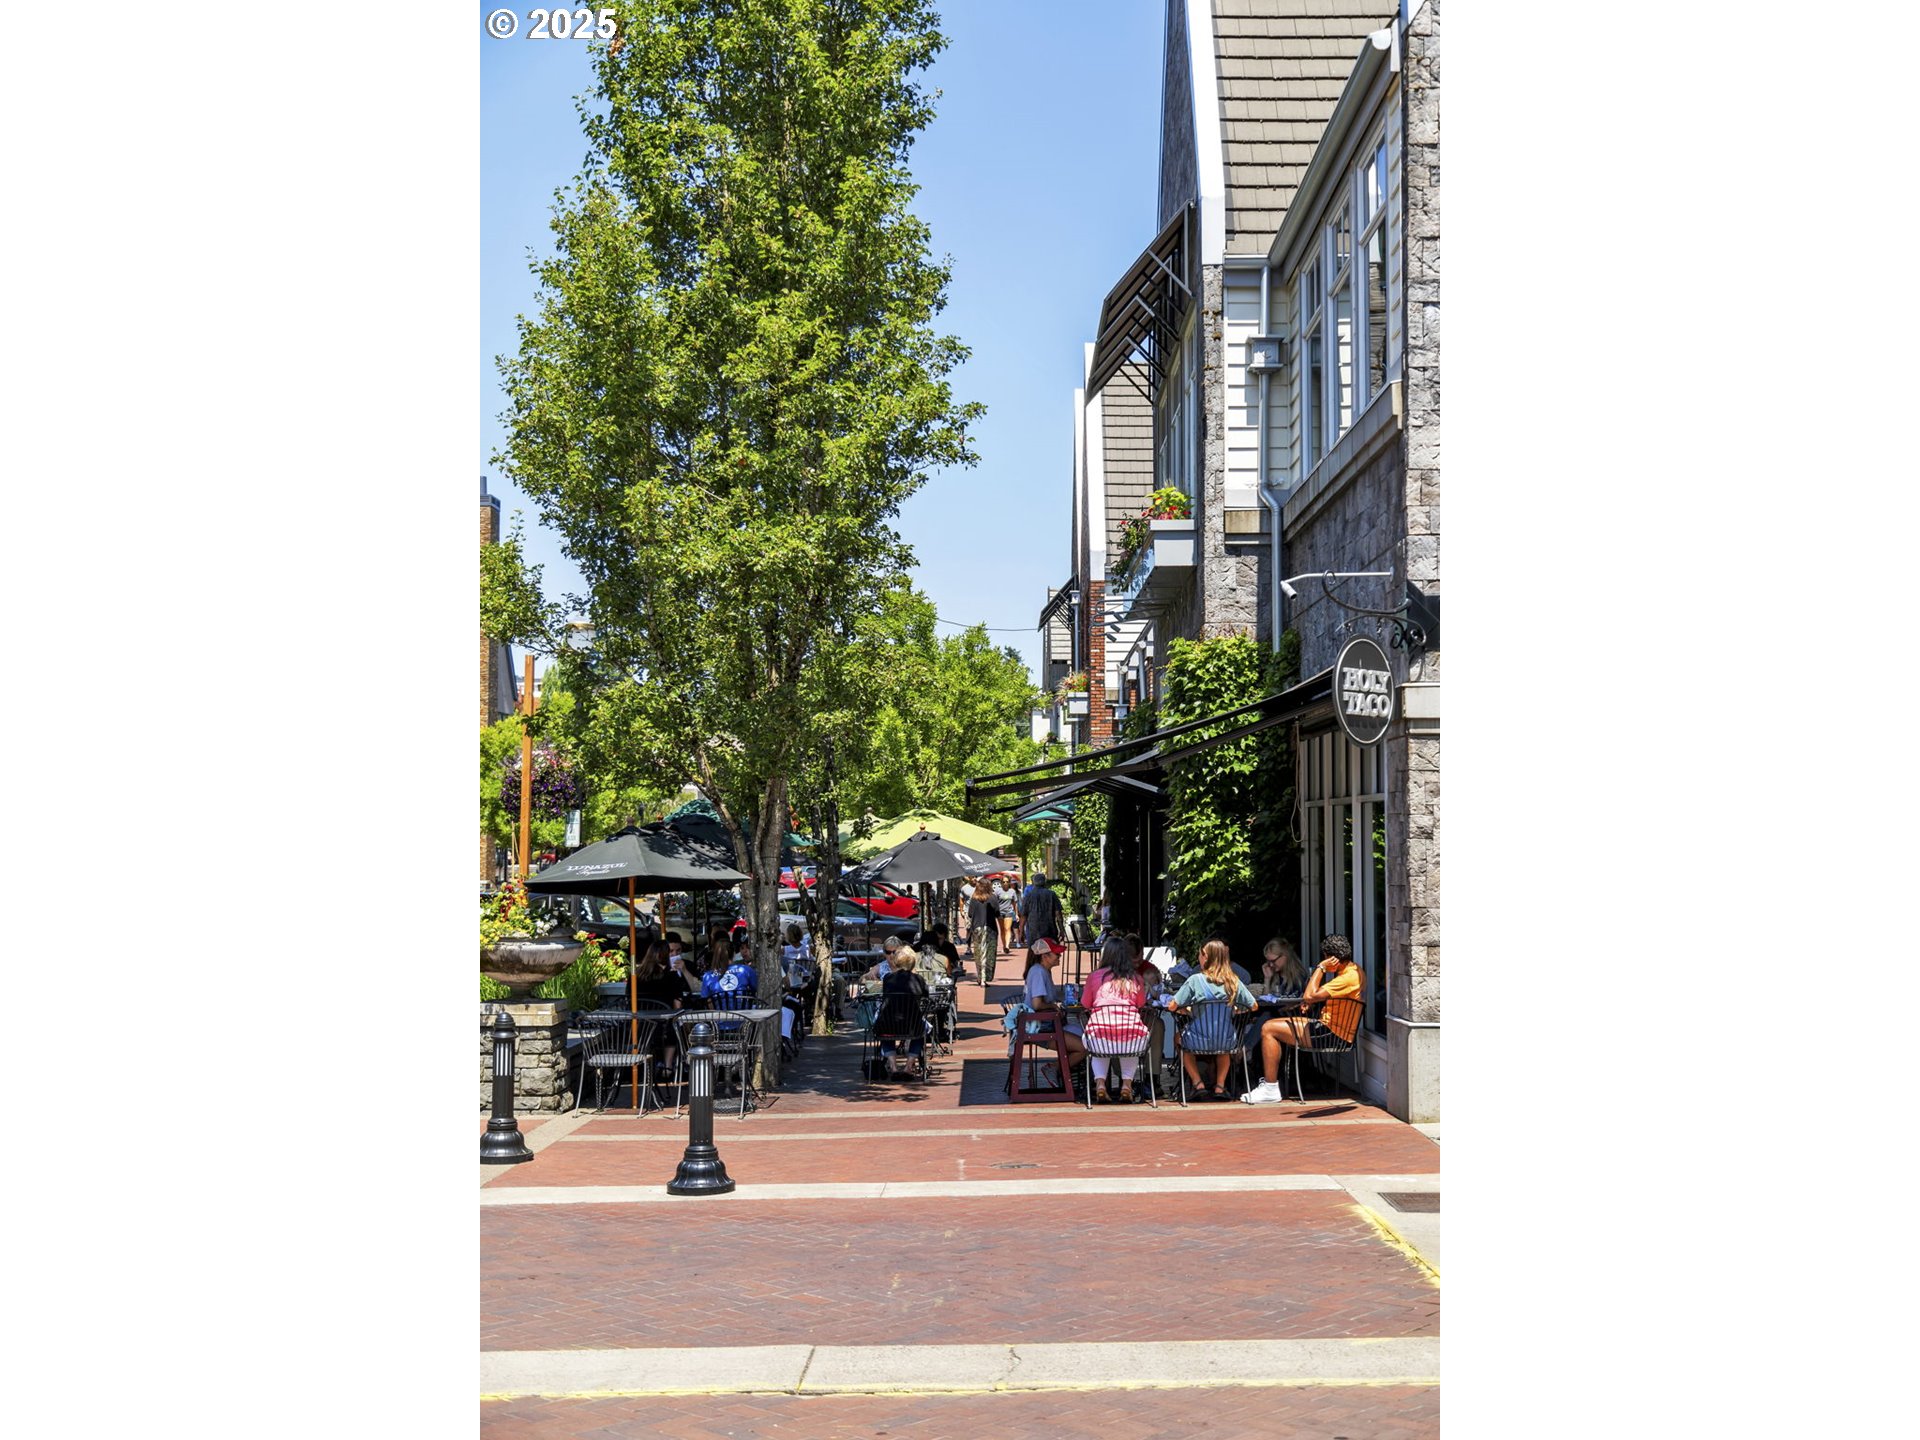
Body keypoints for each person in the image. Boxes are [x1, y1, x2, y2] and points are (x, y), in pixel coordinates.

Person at [1241, 935, 1365, 1105]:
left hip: (1331, 1033)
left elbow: (1308, 995)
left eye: (1324, 958)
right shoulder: (1351, 971)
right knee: (1269, 1023)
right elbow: (1316, 997)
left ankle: (1270, 1088)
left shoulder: (1348, 977)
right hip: (1328, 1027)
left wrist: (1321, 968)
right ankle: (1269, 1084)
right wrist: (1310, 1001)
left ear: (1331, 959)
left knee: (1268, 1028)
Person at [1169, 939, 1257, 1101]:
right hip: (1226, 1039)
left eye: (1200, 955)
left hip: (1197, 1040)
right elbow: (1254, 1005)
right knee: (1223, 1050)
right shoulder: (1233, 981)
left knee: (1180, 1041)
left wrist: (1187, 1009)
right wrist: (1236, 1009)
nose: (1198, 958)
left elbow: (1172, 1005)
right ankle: (1220, 1086)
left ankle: (1198, 1084)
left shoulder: (1195, 980)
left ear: (1206, 957)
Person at [1081, 936, 1152, 1103]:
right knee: (1132, 1041)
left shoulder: (1094, 977)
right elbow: (1141, 1003)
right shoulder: (1135, 978)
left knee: (1098, 1042)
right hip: (1131, 1038)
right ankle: (1127, 1085)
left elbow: (1085, 1003)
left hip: (1099, 1038)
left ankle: (1100, 1084)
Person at [1019, 939, 1086, 1074]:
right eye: (1056, 954)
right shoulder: (1038, 972)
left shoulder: (1043, 971)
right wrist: (1053, 1006)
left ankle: (1069, 1072)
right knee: (1084, 1048)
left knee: (1087, 1036)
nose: (1059, 956)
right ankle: (1054, 1069)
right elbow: (1037, 1004)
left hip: (1047, 1024)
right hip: (1040, 1028)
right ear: (1045, 956)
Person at [873, 945, 932, 1078]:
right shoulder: (919, 979)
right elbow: (926, 996)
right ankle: (908, 1066)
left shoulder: (888, 978)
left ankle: (893, 1067)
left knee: (883, 1029)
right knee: (922, 1031)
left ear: (896, 962)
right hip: (912, 1025)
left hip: (889, 1024)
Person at [1020, 873, 1064, 951]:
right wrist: (1061, 929)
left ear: (1034, 882)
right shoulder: (1052, 894)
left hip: (1033, 930)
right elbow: (1058, 914)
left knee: (1034, 953)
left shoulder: (1028, 896)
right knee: (1049, 952)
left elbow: (1024, 916)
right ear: (1045, 882)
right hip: (1049, 929)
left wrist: (1021, 931)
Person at [968, 879, 999, 985]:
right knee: (990, 953)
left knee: (979, 953)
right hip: (990, 928)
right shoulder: (993, 898)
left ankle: (980, 976)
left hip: (977, 928)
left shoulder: (974, 898)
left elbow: (970, 914)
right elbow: (997, 913)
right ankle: (986, 976)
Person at [993, 876, 1017, 954]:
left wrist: (1016, 914)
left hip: (1009, 912)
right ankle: (1004, 945)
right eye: (1003, 882)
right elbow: (994, 902)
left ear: (1009, 882)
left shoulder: (1012, 891)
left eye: (1007, 882)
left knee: (1008, 928)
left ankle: (1007, 946)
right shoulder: (997, 891)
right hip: (1000, 912)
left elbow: (1014, 903)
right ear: (1001, 883)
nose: (1005, 883)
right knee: (1002, 929)